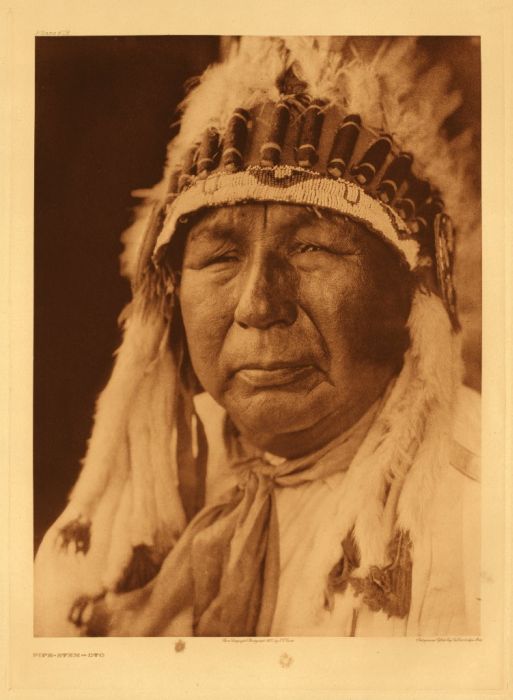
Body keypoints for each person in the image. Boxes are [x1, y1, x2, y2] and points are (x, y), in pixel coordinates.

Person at [35, 36, 480, 637]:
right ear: (170, 294)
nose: (259, 305)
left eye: (313, 248)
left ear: (411, 293)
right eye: (220, 256)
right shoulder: (135, 492)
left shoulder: (477, 514)